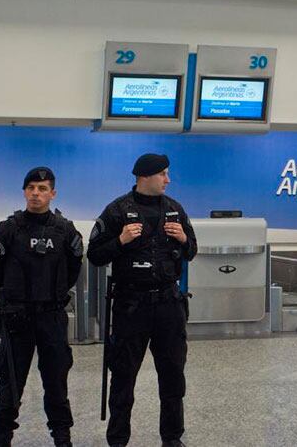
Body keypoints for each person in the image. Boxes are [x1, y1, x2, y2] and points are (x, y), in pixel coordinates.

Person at [87, 153, 197, 447]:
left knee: (173, 376)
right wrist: (120, 240)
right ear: (145, 176)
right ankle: (118, 439)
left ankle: (172, 438)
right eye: (163, 174)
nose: (168, 180)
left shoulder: (174, 209)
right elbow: (95, 255)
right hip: (130, 305)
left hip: (168, 305)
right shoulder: (117, 211)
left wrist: (184, 239)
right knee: (123, 377)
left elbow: (192, 251)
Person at [0, 167, 83, 447]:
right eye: (31, 189)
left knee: (56, 382)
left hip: (52, 316)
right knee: (11, 383)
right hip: (17, 318)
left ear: (53, 193)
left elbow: (74, 268)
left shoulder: (65, 230)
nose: (36, 194)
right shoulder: (8, 229)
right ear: (24, 192)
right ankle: (2, 438)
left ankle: (62, 437)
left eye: (42, 189)